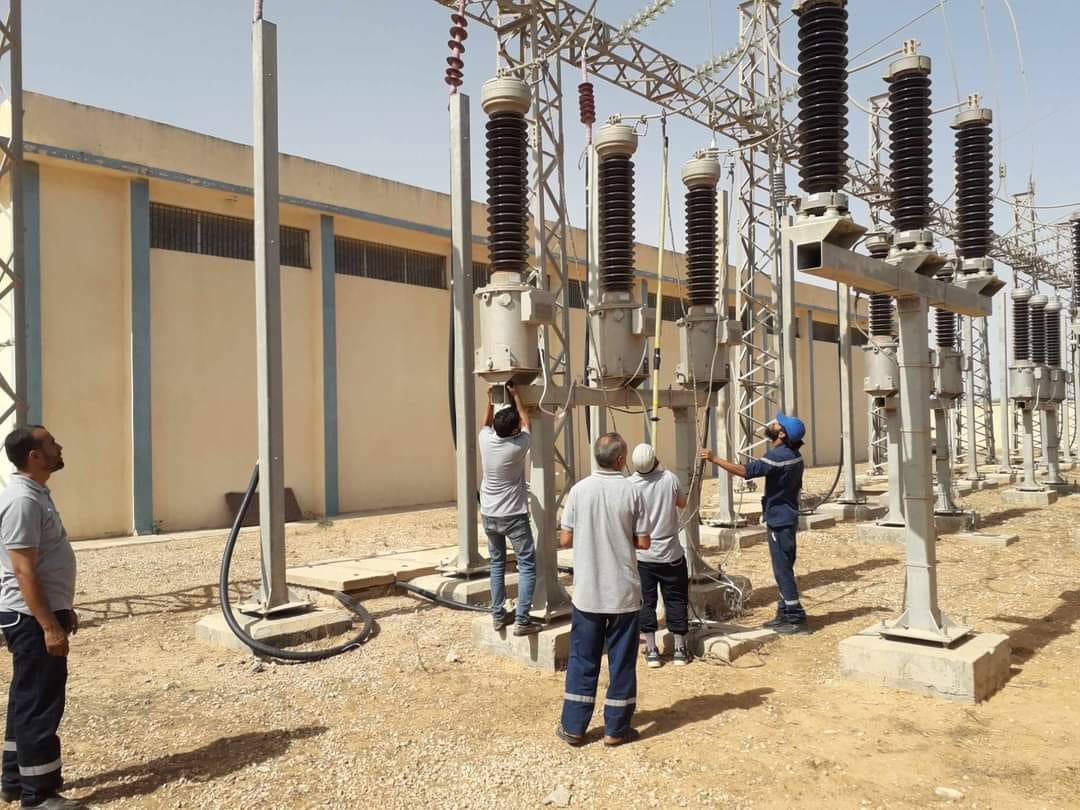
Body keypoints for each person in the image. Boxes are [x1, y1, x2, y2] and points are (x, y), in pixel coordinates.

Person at [0, 426, 86, 810]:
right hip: (31, 619)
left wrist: (63, 608)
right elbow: (24, 571)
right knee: (39, 703)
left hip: (39, 612)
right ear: (34, 456)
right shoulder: (23, 500)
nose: (59, 446)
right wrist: (50, 625)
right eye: (51, 443)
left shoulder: (35, 494)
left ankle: (15, 782)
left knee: (26, 699)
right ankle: (40, 795)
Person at [556, 433, 650, 748]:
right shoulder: (633, 491)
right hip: (623, 593)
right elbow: (643, 542)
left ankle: (574, 727)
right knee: (621, 662)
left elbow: (565, 539)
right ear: (621, 460)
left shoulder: (578, 491)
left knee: (583, 659)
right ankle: (616, 729)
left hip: (587, 593)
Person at [699, 413, 809, 635]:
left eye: (777, 424)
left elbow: (746, 472)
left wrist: (714, 459)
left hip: (779, 520)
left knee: (782, 570)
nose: (772, 424)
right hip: (786, 517)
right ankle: (784, 613)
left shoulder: (778, 456)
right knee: (783, 567)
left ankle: (795, 618)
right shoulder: (794, 455)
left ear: (782, 434)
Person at [478, 382, 540, 636]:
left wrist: (490, 401)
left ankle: (497, 615)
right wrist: (516, 396)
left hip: (489, 514)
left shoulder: (485, 440)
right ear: (513, 431)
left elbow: (485, 424)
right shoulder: (518, 445)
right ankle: (522, 620)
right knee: (527, 565)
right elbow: (527, 423)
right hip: (513, 516)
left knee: (497, 564)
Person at [629, 443, 690, 669]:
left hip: (643, 556)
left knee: (646, 602)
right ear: (655, 459)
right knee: (676, 598)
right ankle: (679, 649)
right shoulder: (669, 479)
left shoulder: (629, 485)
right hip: (670, 553)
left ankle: (652, 649)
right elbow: (682, 503)